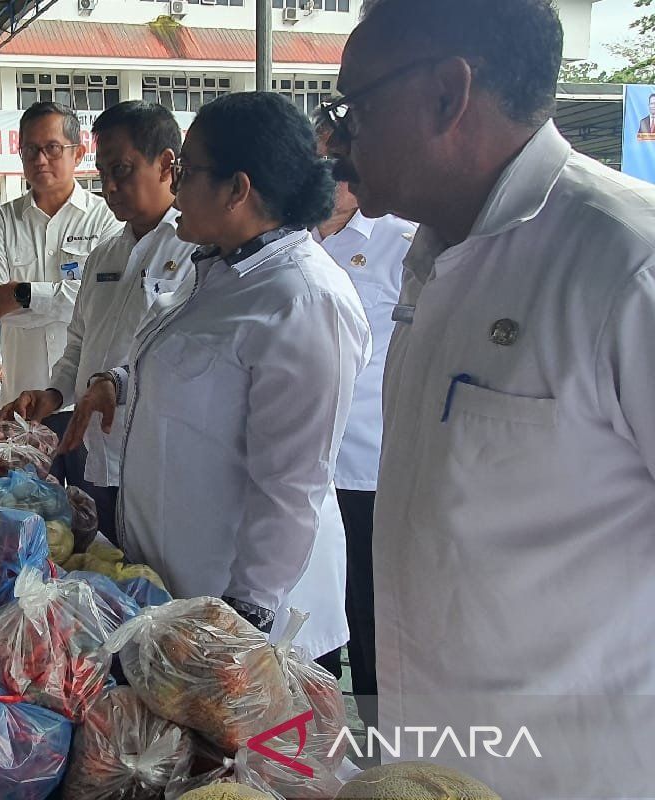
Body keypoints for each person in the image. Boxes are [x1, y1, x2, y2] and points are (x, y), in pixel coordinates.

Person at [328, 1, 655, 794]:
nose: (340, 139)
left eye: (355, 107)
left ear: (448, 94)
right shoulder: (432, 254)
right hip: (431, 761)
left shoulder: (624, 265)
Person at [63, 92, 370, 663]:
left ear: (238, 188)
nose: (175, 187)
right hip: (180, 588)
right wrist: (119, 384)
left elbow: (291, 485)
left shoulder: (302, 300)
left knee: (261, 753)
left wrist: (245, 620)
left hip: (243, 621)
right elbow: (196, 376)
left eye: (189, 171)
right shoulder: (219, 270)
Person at [1, 101, 196, 542]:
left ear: (166, 165)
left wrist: (116, 383)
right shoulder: (105, 254)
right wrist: (53, 393)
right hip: (95, 454)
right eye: (103, 171)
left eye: (122, 170)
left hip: (156, 465)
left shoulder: (194, 252)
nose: (109, 186)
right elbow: (79, 344)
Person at [311, 113, 416, 719]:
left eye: (337, 160)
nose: (329, 175)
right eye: (318, 161)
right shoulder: (286, 242)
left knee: (372, 624)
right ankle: (310, 755)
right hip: (300, 473)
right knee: (308, 628)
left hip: (367, 472)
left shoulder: (400, 247)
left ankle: (381, 752)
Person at [0, 101, 123, 486]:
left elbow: (104, 304)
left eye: (52, 148)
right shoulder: (0, 222)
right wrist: (67, 299)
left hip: (87, 399)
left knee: (91, 516)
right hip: (23, 403)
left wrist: (23, 294)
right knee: (28, 509)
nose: (40, 159)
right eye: (29, 150)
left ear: (78, 152)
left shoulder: (105, 218)